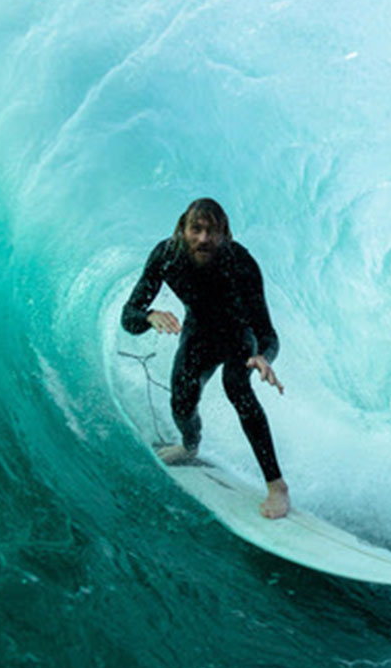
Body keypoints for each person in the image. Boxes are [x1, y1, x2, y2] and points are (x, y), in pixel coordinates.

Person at [121, 198, 289, 519]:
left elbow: (267, 332)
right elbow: (128, 316)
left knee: (235, 386)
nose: (203, 238)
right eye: (196, 229)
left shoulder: (241, 263)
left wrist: (264, 357)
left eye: (212, 232)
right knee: (181, 402)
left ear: (224, 234)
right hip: (198, 333)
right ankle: (190, 446)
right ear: (182, 230)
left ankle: (277, 485)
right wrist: (149, 315)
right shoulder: (167, 256)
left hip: (238, 337)